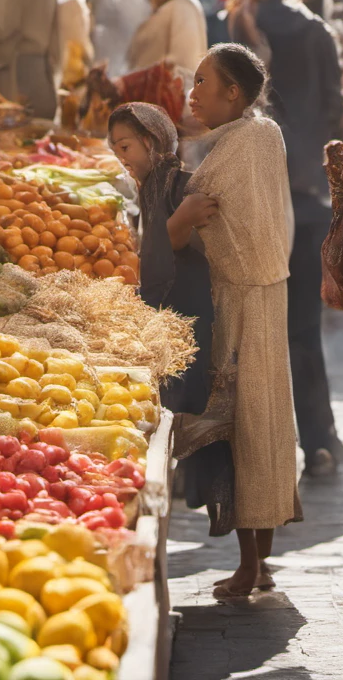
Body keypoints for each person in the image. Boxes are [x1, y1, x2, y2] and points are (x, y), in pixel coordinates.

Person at [180, 43, 302, 598]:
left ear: (234, 93)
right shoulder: (261, 132)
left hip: (244, 300)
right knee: (263, 421)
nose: (193, 92)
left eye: (204, 82)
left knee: (247, 427)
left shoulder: (245, 140)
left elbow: (191, 200)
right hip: (261, 293)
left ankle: (252, 564)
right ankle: (259, 559)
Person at [230, 0, 343, 476]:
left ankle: (251, 447)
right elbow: (334, 110)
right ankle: (320, 440)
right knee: (302, 326)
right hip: (308, 194)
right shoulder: (319, 31)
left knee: (245, 325)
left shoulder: (240, 26)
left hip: (254, 193)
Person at [107, 101, 226, 530]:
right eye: (116, 149)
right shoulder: (150, 189)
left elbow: (185, 242)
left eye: (126, 146)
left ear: (152, 141)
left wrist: (177, 226)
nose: (122, 157)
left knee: (201, 415)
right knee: (178, 412)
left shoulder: (181, 185)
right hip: (167, 315)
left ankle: (234, 531)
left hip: (191, 314)